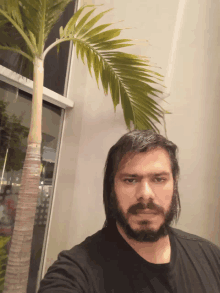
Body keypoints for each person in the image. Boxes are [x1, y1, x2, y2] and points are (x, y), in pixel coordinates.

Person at [38, 130, 220, 293]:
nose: (145, 195)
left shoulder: (211, 256)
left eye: (159, 179)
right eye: (130, 180)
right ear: (112, 187)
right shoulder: (76, 271)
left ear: (175, 183)